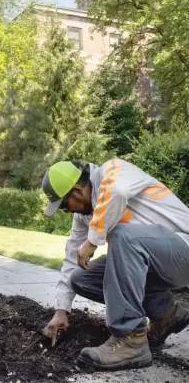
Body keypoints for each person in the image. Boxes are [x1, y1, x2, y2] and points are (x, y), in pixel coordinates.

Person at [41, 159, 189, 371]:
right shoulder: (84, 216)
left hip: (184, 247)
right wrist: (61, 309)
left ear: (78, 190)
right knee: (80, 278)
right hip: (159, 263)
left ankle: (130, 340)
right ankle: (165, 313)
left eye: (64, 205)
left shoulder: (112, 170)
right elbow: (72, 258)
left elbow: (117, 192)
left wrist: (93, 241)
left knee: (123, 235)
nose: (67, 211)